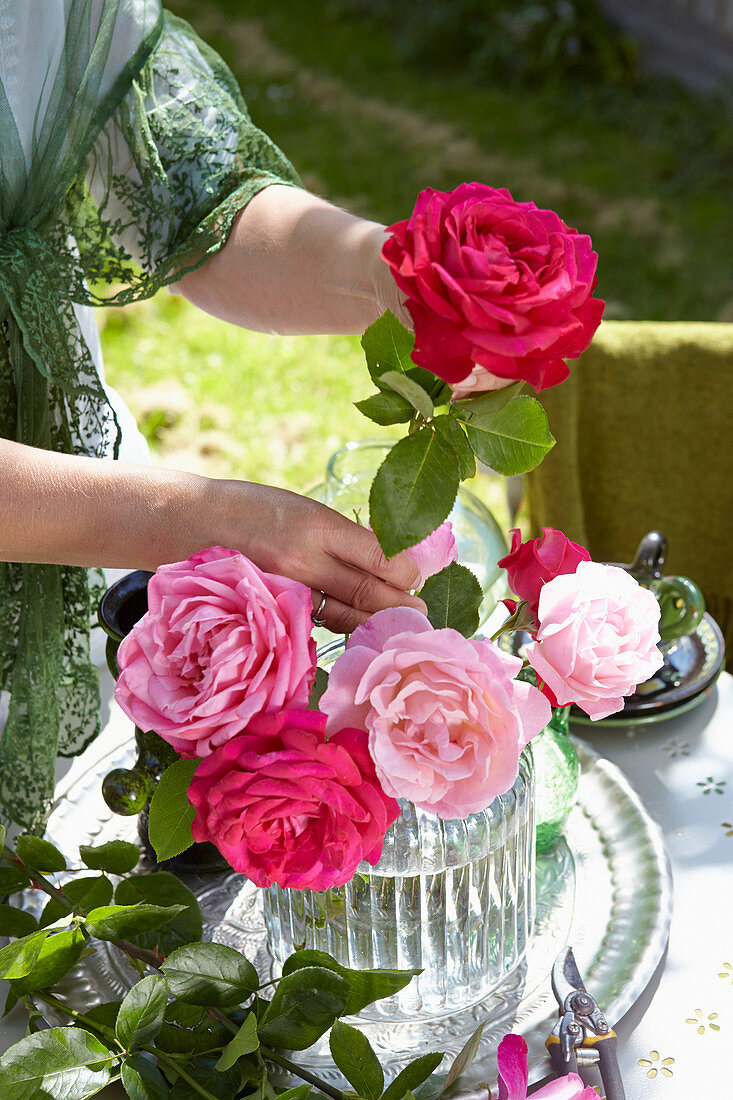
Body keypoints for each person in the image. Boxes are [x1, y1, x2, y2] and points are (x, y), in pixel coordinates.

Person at [0, 0, 429, 832]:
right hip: (97, 513)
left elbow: (197, 206)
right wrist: (205, 520)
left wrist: (385, 272)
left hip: (83, 527)